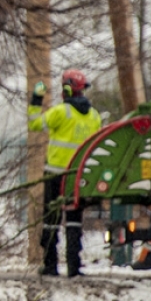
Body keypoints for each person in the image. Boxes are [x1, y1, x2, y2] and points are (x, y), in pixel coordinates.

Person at [28, 69, 103, 277]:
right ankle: (74, 266)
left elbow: (35, 124)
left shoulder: (61, 112)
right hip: (78, 176)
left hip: (55, 174)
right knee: (73, 220)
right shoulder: (95, 116)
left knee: (51, 219)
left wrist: (36, 98)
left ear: (67, 89)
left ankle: (51, 265)